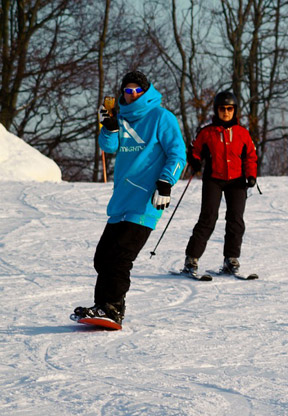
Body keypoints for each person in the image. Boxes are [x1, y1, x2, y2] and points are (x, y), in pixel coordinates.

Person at [73, 71, 187, 326]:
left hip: (146, 200)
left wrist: (166, 183)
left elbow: (178, 154)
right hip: (121, 201)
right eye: (128, 91)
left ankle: (111, 308)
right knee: (103, 258)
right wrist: (109, 127)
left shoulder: (161, 117)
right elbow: (109, 147)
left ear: (146, 92)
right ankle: (103, 306)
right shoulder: (119, 116)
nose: (132, 94)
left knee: (120, 257)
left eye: (137, 91)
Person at [182, 91, 258, 276]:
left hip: (237, 181)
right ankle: (191, 259)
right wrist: (195, 160)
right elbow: (195, 149)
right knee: (208, 218)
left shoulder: (242, 133)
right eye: (222, 109)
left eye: (230, 109)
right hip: (214, 179)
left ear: (235, 111)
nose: (226, 112)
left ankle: (231, 259)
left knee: (236, 220)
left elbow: (250, 157)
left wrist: (251, 175)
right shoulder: (207, 132)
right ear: (217, 110)